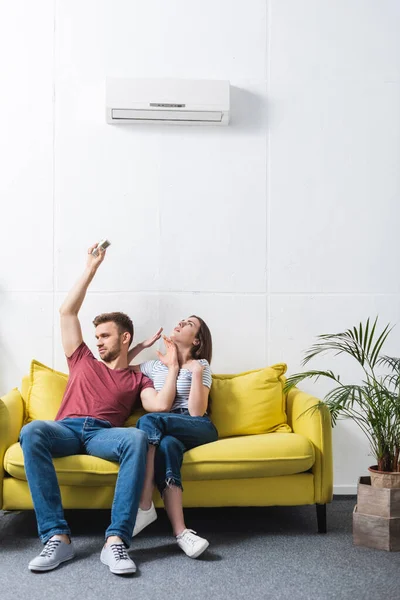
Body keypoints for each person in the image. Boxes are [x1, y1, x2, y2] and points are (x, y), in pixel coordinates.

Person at [20, 243, 179, 575]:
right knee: (32, 430)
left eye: (105, 336)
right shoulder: (81, 359)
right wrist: (91, 268)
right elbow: (66, 312)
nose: (98, 341)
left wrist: (174, 366)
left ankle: (116, 542)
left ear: (125, 338)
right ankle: (57, 537)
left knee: (137, 438)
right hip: (64, 429)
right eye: (96, 336)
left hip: (102, 435)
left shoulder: (138, 380)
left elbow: (161, 405)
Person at [127, 316, 218, 558]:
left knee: (149, 420)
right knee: (166, 446)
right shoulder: (154, 365)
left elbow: (197, 412)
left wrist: (196, 372)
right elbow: (117, 367)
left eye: (188, 324)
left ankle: (144, 504)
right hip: (166, 432)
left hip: (197, 426)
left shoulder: (201, 365)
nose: (180, 323)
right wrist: (142, 347)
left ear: (197, 340)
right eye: (181, 320)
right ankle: (182, 533)